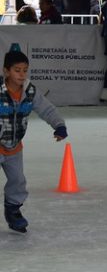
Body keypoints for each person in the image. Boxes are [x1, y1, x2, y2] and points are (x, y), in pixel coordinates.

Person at [0, 50, 68, 233]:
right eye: (17, 70)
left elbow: (47, 109)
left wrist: (59, 125)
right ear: (6, 71)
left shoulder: (30, 91)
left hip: (14, 146)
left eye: (25, 70)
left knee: (18, 181)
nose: (22, 74)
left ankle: (13, 211)